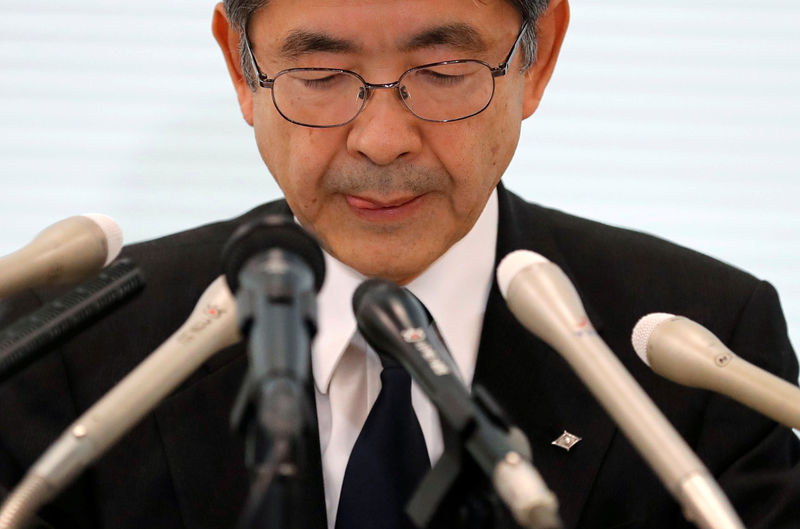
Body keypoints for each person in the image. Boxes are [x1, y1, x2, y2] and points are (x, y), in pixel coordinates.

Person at [1, 0, 799, 528]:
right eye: (319, 76)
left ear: (540, 55)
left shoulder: (702, 343)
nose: (381, 139)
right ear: (242, 68)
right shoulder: (79, 345)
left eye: (444, 73)